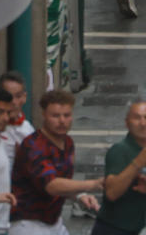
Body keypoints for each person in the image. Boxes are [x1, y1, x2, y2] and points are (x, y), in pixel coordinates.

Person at [8, 90, 104, 235]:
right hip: (27, 223)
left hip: (53, 222)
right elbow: (51, 185)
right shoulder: (33, 145)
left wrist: (79, 195)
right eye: (55, 116)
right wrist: (93, 184)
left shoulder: (68, 143)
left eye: (66, 115)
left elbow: (63, 182)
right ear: (44, 115)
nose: (62, 121)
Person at [93, 102, 146, 235]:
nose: (143, 123)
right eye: (137, 118)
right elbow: (111, 193)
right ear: (127, 123)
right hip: (114, 228)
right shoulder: (119, 150)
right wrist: (138, 163)